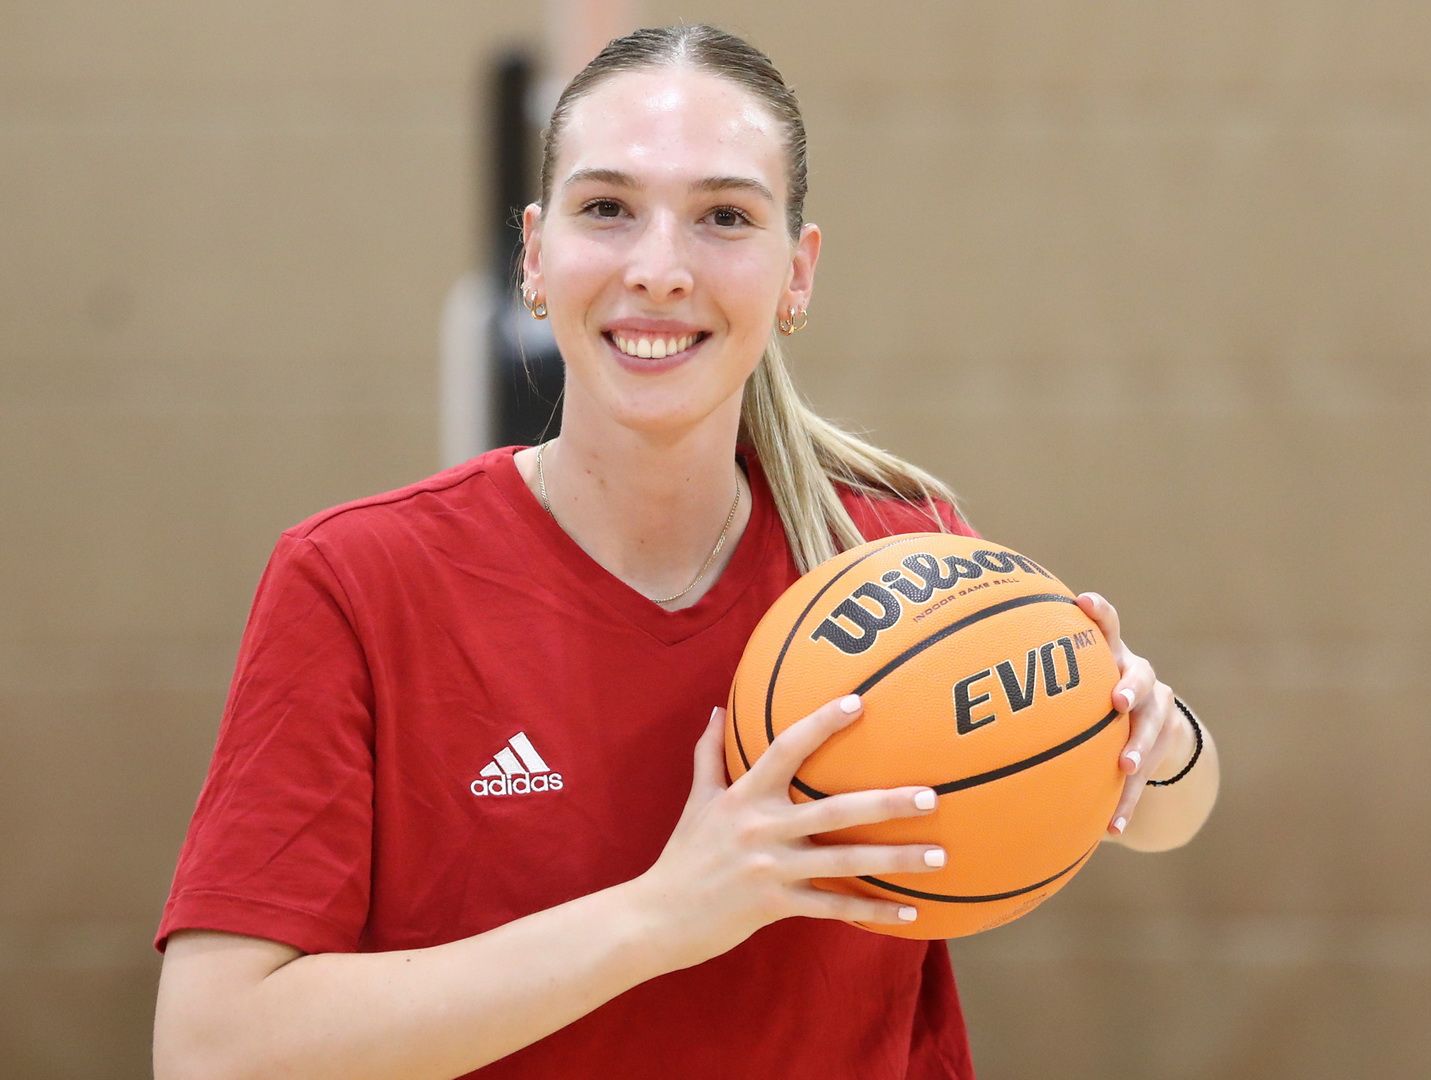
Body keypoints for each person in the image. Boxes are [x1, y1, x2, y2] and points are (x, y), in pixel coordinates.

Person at [151, 24, 1220, 1080]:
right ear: (535, 253)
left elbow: (1172, 808)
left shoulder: (895, 556)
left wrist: (1144, 730)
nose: (660, 269)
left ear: (797, 273)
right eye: (608, 209)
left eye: (724, 217)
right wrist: (660, 917)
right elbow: (212, 1051)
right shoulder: (357, 580)